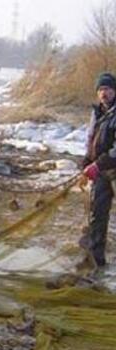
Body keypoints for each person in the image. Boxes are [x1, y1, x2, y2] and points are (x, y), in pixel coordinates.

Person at [79, 73, 116, 268]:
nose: (104, 93)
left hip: (111, 167)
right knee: (97, 214)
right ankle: (96, 259)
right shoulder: (97, 112)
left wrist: (98, 164)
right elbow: (91, 138)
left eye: (108, 89)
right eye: (101, 90)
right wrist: (87, 159)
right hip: (101, 170)